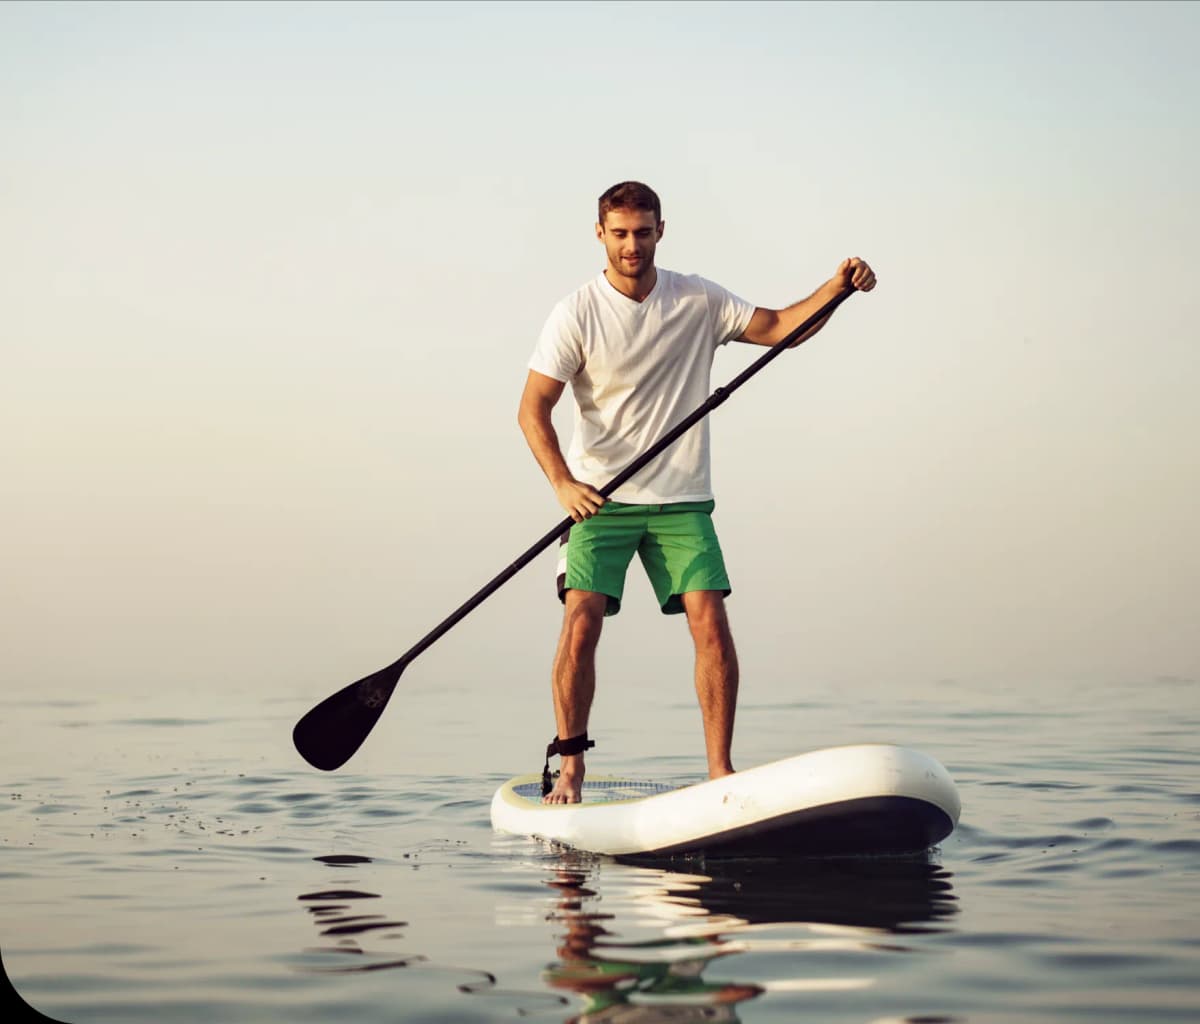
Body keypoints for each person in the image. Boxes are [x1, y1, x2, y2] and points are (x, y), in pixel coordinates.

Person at [518, 181, 875, 804]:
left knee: (710, 622)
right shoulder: (575, 312)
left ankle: (720, 774)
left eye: (644, 232)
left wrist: (836, 289)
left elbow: (781, 330)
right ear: (600, 234)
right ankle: (571, 769)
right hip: (599, 500)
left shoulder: (697, 298)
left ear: (661, 230)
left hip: (682, 497)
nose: (633, 245)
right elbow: (532, 409)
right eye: (620, 233)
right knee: (581, 621)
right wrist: (563, 483)